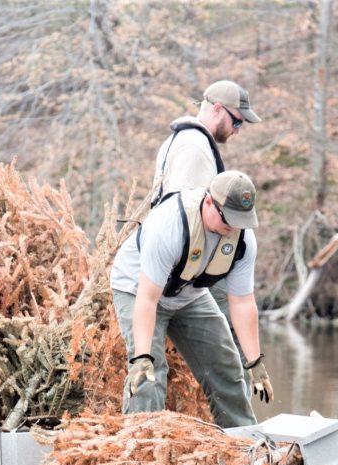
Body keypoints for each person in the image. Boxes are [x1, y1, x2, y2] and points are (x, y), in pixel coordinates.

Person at [110, 170, 274, 429]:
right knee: (149, 375)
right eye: (228, 217)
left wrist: (254, 361)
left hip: (188, 294)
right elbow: (147, 299)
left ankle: (243, 445)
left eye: (240, 219)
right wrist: (141, 356)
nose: (232, 225)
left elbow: (242, 302)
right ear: (209, 202)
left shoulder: (243, 238)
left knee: (226, 366)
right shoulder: (169, 226)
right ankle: (139, 453)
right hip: (137, 288)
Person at [151, 79, 261, 360]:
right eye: (236, 121)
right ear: (217, 109)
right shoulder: (196, 149)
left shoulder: (187, 138)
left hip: (186, 265)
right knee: (231, 345)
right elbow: (183, 215)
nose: (238, 130)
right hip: (192, 262)